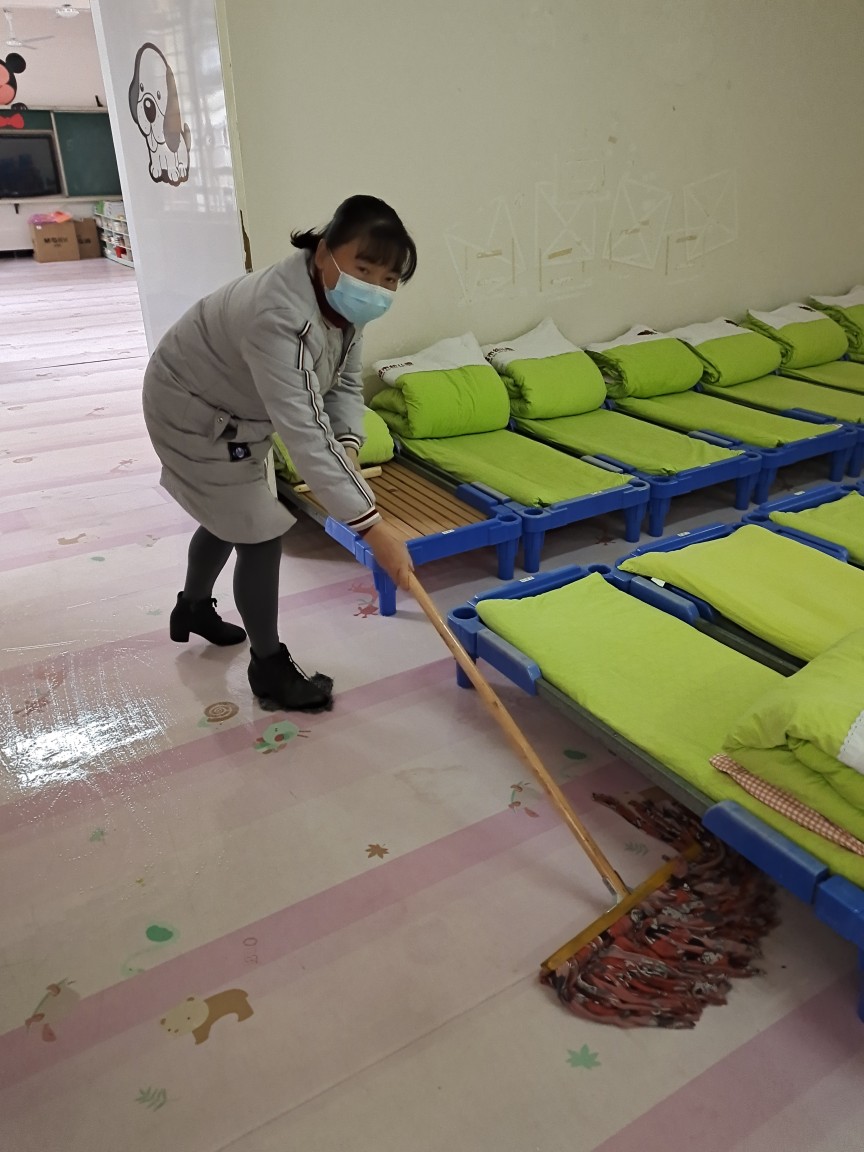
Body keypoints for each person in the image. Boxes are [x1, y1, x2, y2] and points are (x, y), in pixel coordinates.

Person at [142, 194, 416, 713]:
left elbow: (341, 384)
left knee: (231, 517)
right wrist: (373, 529)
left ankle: (193, 608)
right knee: (260, 533)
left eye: (389, 279)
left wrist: (349, 447)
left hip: (233, 409)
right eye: (364, 269)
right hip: (191, 408)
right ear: (324, 252)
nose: (376, 288)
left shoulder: (339, 302)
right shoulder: (279, 315)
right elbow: (304, 429)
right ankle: (268, 667)